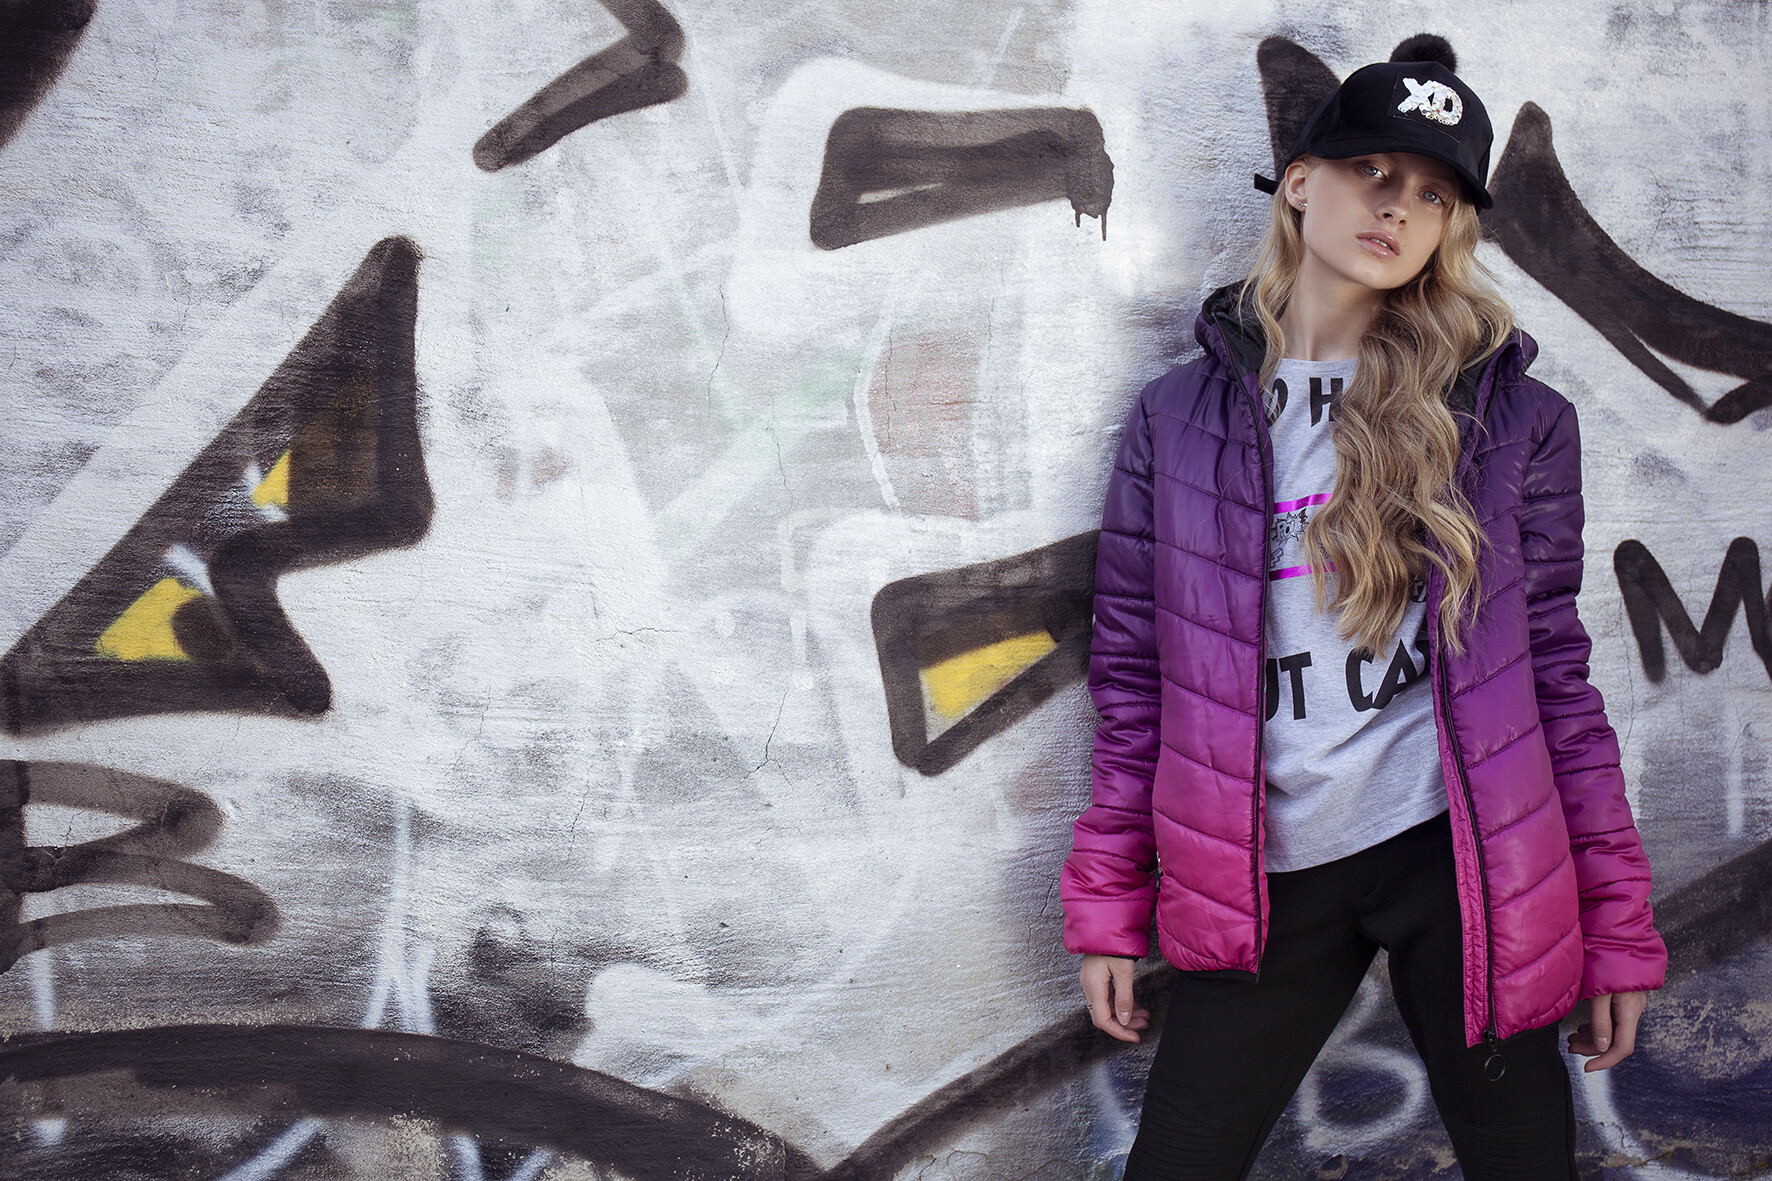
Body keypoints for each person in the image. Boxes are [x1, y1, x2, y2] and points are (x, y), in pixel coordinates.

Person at [1059, 34, 1667, 1181]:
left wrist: (1615, 924)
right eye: (1371, 172)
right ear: (1300, 181)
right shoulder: (1176, 418)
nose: (1395, 206)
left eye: (1430, 193)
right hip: (1262, 865)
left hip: (1459, 859)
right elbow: (1133, 682)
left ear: (1449, 229)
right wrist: (1107, 901)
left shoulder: (1512, 423)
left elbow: (1552, 681)